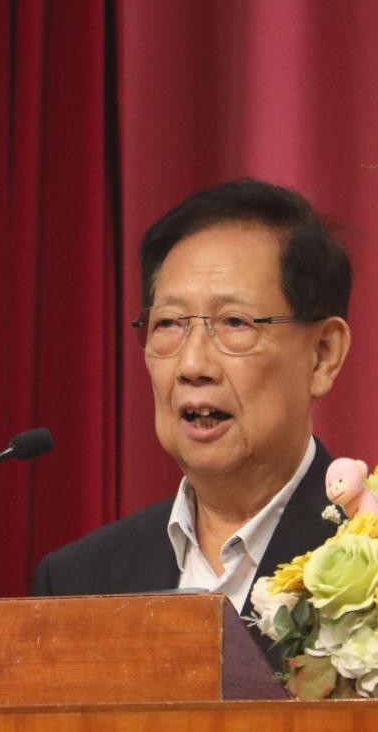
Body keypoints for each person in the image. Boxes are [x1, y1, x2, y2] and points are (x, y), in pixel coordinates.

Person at [31, 179, 352, 639]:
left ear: (322, 355)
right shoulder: (80, 582)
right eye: (168, 324)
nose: (192, 365)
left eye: (234, 323)